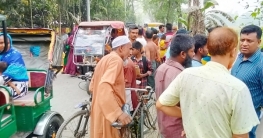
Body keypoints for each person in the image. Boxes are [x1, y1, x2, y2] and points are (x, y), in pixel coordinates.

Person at [156, 27, 260, 138]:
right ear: (233, 51)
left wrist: (189, 114)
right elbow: (240, 135)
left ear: (209, 50)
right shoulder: (237, 88)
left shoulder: (186, 75)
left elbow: (161, 104)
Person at [89, 36, 132, 138]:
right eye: (129, 48)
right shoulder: (116, 60)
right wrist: (117, 113)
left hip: (99, 110)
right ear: (121, 48)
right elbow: (104, 85)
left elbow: (91, 87)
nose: (130, 53)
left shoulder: (104, 59)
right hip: (109, 114)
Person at [155, 34, 195, 138]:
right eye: (192, 51)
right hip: (177, 130)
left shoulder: (161, 68)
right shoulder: (181, 75)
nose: (194, 55)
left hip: (163, 127)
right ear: (183, 54)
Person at [231, 25, 263, 138]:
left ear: (258, 42)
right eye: (242, 40)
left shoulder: (261, 64)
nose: (244, 44)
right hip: (232, 112)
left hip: (249, 115)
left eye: (249, 41)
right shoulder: (238, 57)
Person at [0, 33, 29, 99]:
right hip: (3, 84)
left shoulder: (15, 55)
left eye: (7, 43)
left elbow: (8, 75)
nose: (4, 45)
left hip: (18, 84)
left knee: (2, 95)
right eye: (1, 43)